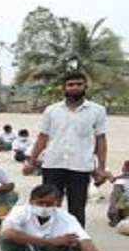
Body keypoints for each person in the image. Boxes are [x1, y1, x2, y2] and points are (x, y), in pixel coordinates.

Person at [24, 72, 111, 227]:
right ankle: (48, 240)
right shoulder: (52, 110)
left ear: (85, 86)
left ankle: (74, 244)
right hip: (52, 165)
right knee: (48, 206)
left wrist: (101, 168)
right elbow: (42, 138)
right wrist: (31, 161)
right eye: (71, 84)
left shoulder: (97, 111)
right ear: (64, 88)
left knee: (77, 208)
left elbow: (101, 140)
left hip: (80, 166)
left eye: (79, 84)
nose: (75, 87)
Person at [0, 184, 117, 251]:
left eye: (49, 204)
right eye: (40, 203)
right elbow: (7, 234)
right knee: (7, 237)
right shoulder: (20, 211)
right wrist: (50, 241)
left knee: (78, 246)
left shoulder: (66, 218)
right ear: (31, 202)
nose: (44, 207)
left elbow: (86, 242)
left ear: (57, 203)